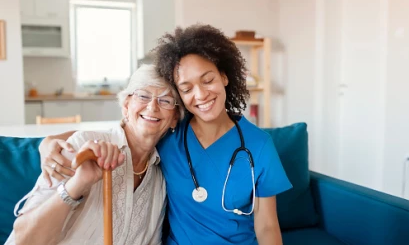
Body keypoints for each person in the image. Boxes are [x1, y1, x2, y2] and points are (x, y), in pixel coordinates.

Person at [38, 24, 292, 245]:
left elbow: (267, 226)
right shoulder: (170, 134)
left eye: (208, 80)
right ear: (180, 96)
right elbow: (120, 132)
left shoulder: (259, 146)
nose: (201, 95)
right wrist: (48, 142)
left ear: (224, 76)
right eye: (187, 88)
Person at [6, 64, 183, 245]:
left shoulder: (160, 178)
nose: (152, 106)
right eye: (143, 96)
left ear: (175, 118)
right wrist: (78, 184)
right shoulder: (83, 146)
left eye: (165, 100)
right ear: (126, 106)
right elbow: (23, 239)